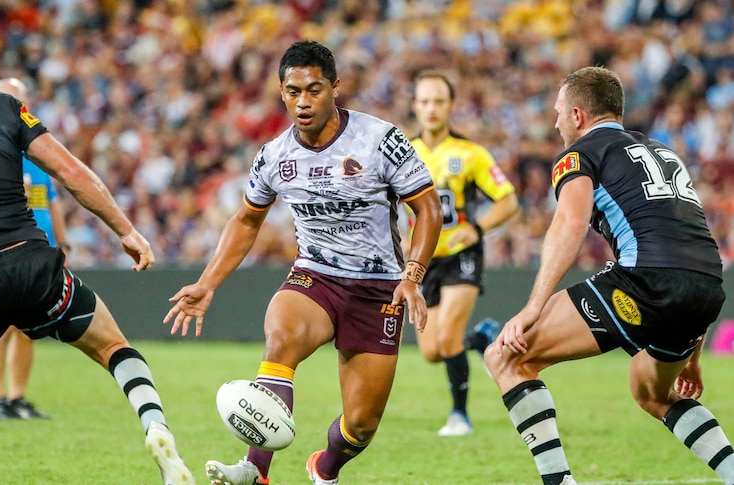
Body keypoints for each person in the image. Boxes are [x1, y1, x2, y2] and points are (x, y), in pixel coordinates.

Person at [0, 8, 194, 485]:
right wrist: (126, 231)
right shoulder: (5, 106)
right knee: (115, 347)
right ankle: (157, 430)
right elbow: (72, 173)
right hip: (35, 268)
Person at [163, 40, 441, 485]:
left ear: (335, 87)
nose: (303, 102)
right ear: (281, 91)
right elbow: (246, 219)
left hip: (378, 288)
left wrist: (412, 276)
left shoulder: (380, 140)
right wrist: (208, 282)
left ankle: (324, 467)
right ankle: (255, 470)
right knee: (281, 337)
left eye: (314, 90)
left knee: (362, 424)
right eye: (293, 92)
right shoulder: (274, 156)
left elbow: (428, 209)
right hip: (315, 277)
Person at [484, 66, 734, 485]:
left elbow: (569, 224)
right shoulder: (662, 151)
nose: (556, 121)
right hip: (709, 286)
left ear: (579, 115)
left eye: (560, 112)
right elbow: (689, 245)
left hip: (645, 279)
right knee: (651, 391)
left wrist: (532, 307)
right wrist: (691, 348)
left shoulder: (579, 155)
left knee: (507, 355)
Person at [408, 70, 519, 437]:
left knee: (446, 340)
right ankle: (484, 338)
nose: (431, 108)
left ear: (451, 106)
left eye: (438, 101)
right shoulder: (406, 154)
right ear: (415, 106)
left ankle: (460, 416)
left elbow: (508, 200)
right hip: (424, 261)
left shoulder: (470, 154)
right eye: (424, 101)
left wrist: (478, 228)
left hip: (462, 255)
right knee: (431, 351)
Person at [0, 77, 67, 421]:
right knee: (0, 326)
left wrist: (64, 244)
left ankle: (16, 397)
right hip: (0, 249)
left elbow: (51, 201)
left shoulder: (37, 147)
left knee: (29, 328)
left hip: (39, 252)